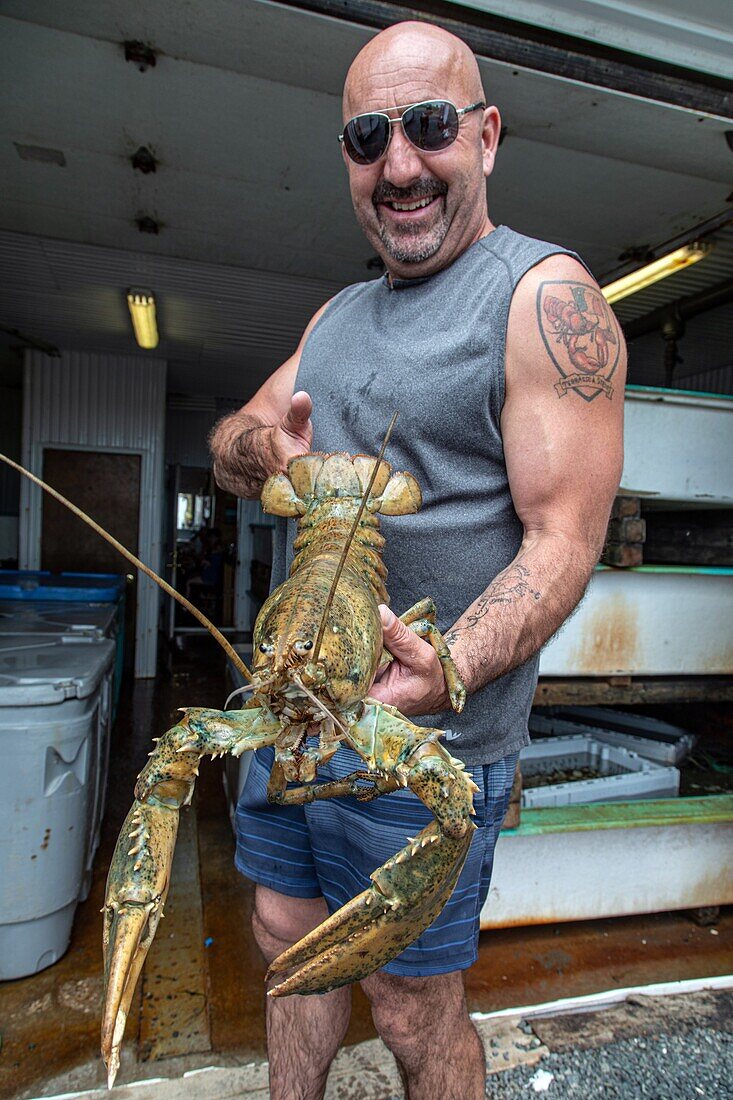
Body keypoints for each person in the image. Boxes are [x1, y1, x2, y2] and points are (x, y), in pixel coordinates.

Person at [210, 20, 625, 1100]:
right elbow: (230, 444)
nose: (398, 164)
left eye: (429, 127)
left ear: (485, 135)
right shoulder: (339, 317)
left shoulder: (543, 299)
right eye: (366, 137)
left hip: (421, 734)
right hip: (295, 705)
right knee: (283, 937)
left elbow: (565, 540)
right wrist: (269, 453)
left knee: (406, 1000)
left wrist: (451, 665)